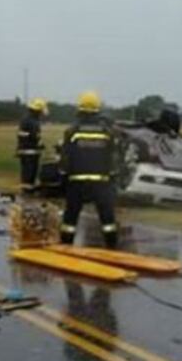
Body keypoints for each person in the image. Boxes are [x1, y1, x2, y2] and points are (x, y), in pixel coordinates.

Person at [59, 91, 118, 248]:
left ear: (80, 109)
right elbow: (113, 158)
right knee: (107, 219)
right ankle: (112, 248)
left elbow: (65, 158)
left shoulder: (72, 131)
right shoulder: (107, 132)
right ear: (98, 110)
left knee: (70, 219)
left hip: (77, 182)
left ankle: (65, 247)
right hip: (101, 183)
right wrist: (112, 178)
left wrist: (63, 177)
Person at [16, 98, 47, 192]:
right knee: (30, 173)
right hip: (31, 151)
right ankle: (28, 193)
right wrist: (41, 145)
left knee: (25, 173)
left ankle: (26, 190)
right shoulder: (34, 122)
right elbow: (35, 137)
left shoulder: (25, 119)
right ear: (38, 111)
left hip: (24, 149)